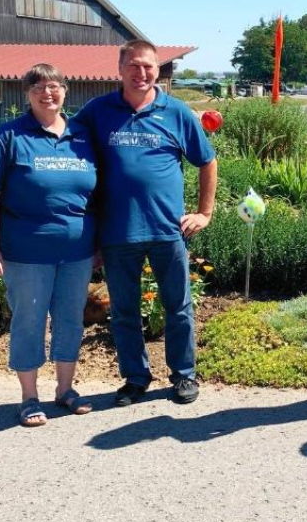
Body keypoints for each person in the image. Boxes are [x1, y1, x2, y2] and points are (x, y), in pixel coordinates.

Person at [74, 39, 217, 406]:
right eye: (134, 66)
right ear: (120, 69)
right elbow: (66, 143)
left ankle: (183, 374)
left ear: (157, 69)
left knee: (178, 308)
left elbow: (207, 160)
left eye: (148, 66)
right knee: (124, 311)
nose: (141, 73)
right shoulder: (97, 112)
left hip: (168, 230)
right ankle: (135, 378)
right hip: (117, 232)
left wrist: (204, 213)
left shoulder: (177, 112)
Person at [0, 64, 97, 426]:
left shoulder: (83, 135)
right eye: (38, 88)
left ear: (65, 91)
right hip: (26, 253)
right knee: (29, 321)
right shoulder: (9, 136)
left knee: (70, 319)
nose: (48, 93)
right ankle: (29, 398)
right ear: (27, 94)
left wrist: (99, 244)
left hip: (77, 252)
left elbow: (98, 195)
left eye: (54, 86)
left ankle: (65, 389)